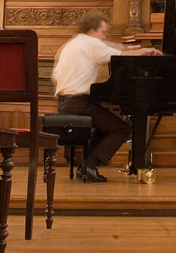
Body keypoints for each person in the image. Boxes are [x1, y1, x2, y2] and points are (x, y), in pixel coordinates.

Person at [51, 11, 161, 182]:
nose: (104, 36)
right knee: (122, 128)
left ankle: (86, 165)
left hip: (64, 102)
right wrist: (147, 50)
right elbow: (120, 56)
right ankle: (89, 165)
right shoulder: (91, 43)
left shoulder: (72, 44)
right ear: (92, 30)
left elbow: (56, 76)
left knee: (106, 126)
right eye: (102, 32)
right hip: (78, 102)